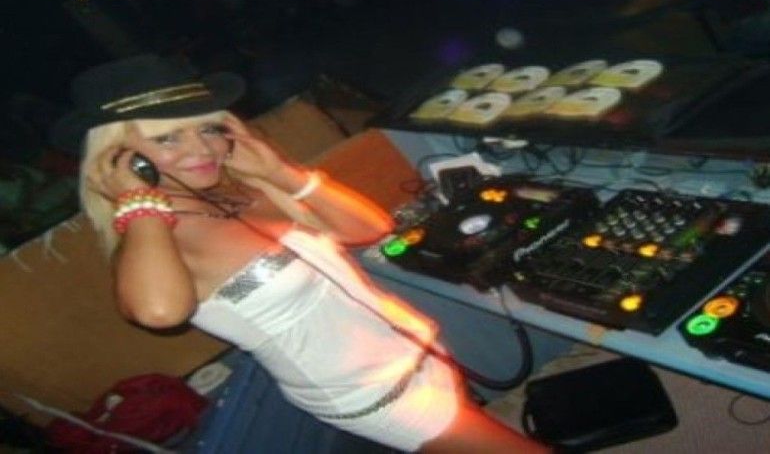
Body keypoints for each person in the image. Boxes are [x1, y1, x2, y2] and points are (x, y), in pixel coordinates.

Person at [54, 54, 549, 453]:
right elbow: (158, 312)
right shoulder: (156, 240)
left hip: (417, 353)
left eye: (207, 129)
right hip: (376, 396)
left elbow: (370, 228)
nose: (202, 150)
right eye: (167, 138)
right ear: (121, 160)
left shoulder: (239, 193)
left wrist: (280, 173)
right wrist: (137, 205)